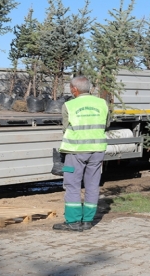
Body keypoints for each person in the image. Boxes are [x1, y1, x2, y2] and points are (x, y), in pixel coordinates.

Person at [53, 76, 110, 232]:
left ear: (74, 89)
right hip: (97, 150)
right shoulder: (102, 103)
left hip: (75, 151)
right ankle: (87, 221)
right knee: (92, 185)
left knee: (72, 185)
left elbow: (65, 128)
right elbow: (107, 124)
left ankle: (73, 221)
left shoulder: (69, 105)